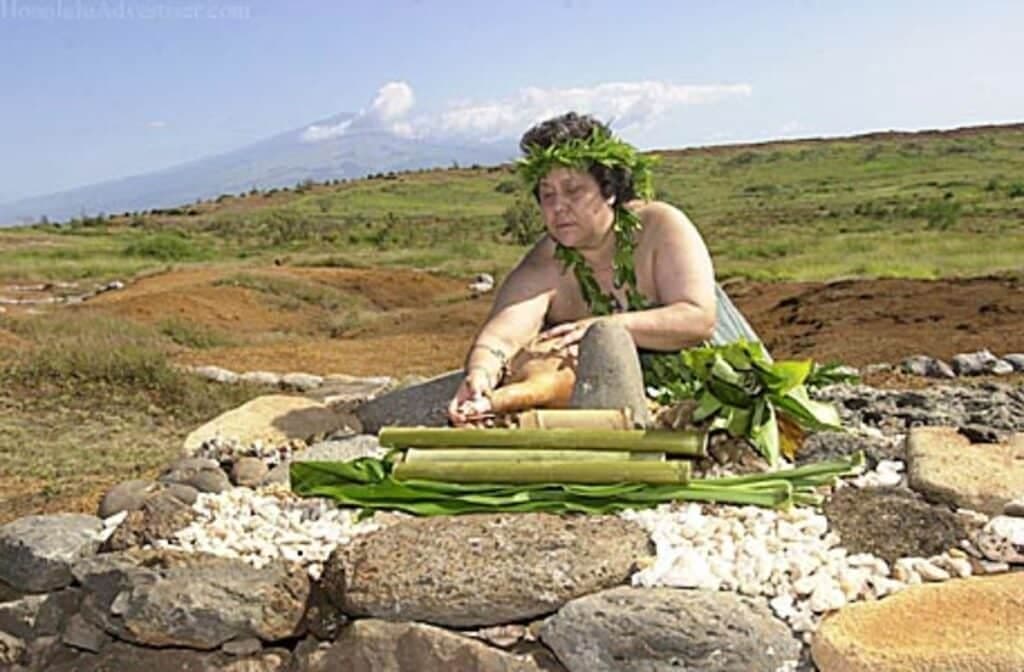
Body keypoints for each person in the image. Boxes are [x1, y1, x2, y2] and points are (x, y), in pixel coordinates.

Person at [447, 112, 718, 425]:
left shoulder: (659, 227)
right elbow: (501, 339)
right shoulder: (546, 262)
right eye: (547, 195)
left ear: (609, 191)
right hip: (599, 401)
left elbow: (697, 318)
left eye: (573, 190)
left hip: (704, 385)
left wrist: (602, 329)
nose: (558, 206)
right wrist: (480, 375)